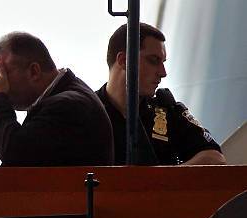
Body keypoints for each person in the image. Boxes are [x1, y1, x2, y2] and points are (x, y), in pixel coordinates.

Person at [0, 31, 114, 166]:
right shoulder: (68, 97)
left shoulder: (66, 107)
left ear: (34, 71)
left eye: (3, 72)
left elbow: (15, 153)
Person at [96, 23, 226, 165]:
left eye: (163, 62)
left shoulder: (166, 109)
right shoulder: (87, 111)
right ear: (124, 60)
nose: (163, 73)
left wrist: (161, 181)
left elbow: (215, 158)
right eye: (153, 61)